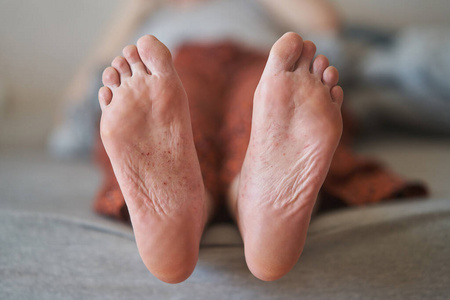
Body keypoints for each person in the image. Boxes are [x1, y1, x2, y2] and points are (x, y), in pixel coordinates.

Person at [59, 0, 427, 284]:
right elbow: (83, 87)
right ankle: (212, 200)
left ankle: (244, 199)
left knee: (265, 111)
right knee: (179, 118)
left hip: (263, 65)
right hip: (173, 69)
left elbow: (327, 21)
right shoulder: (153, 13)